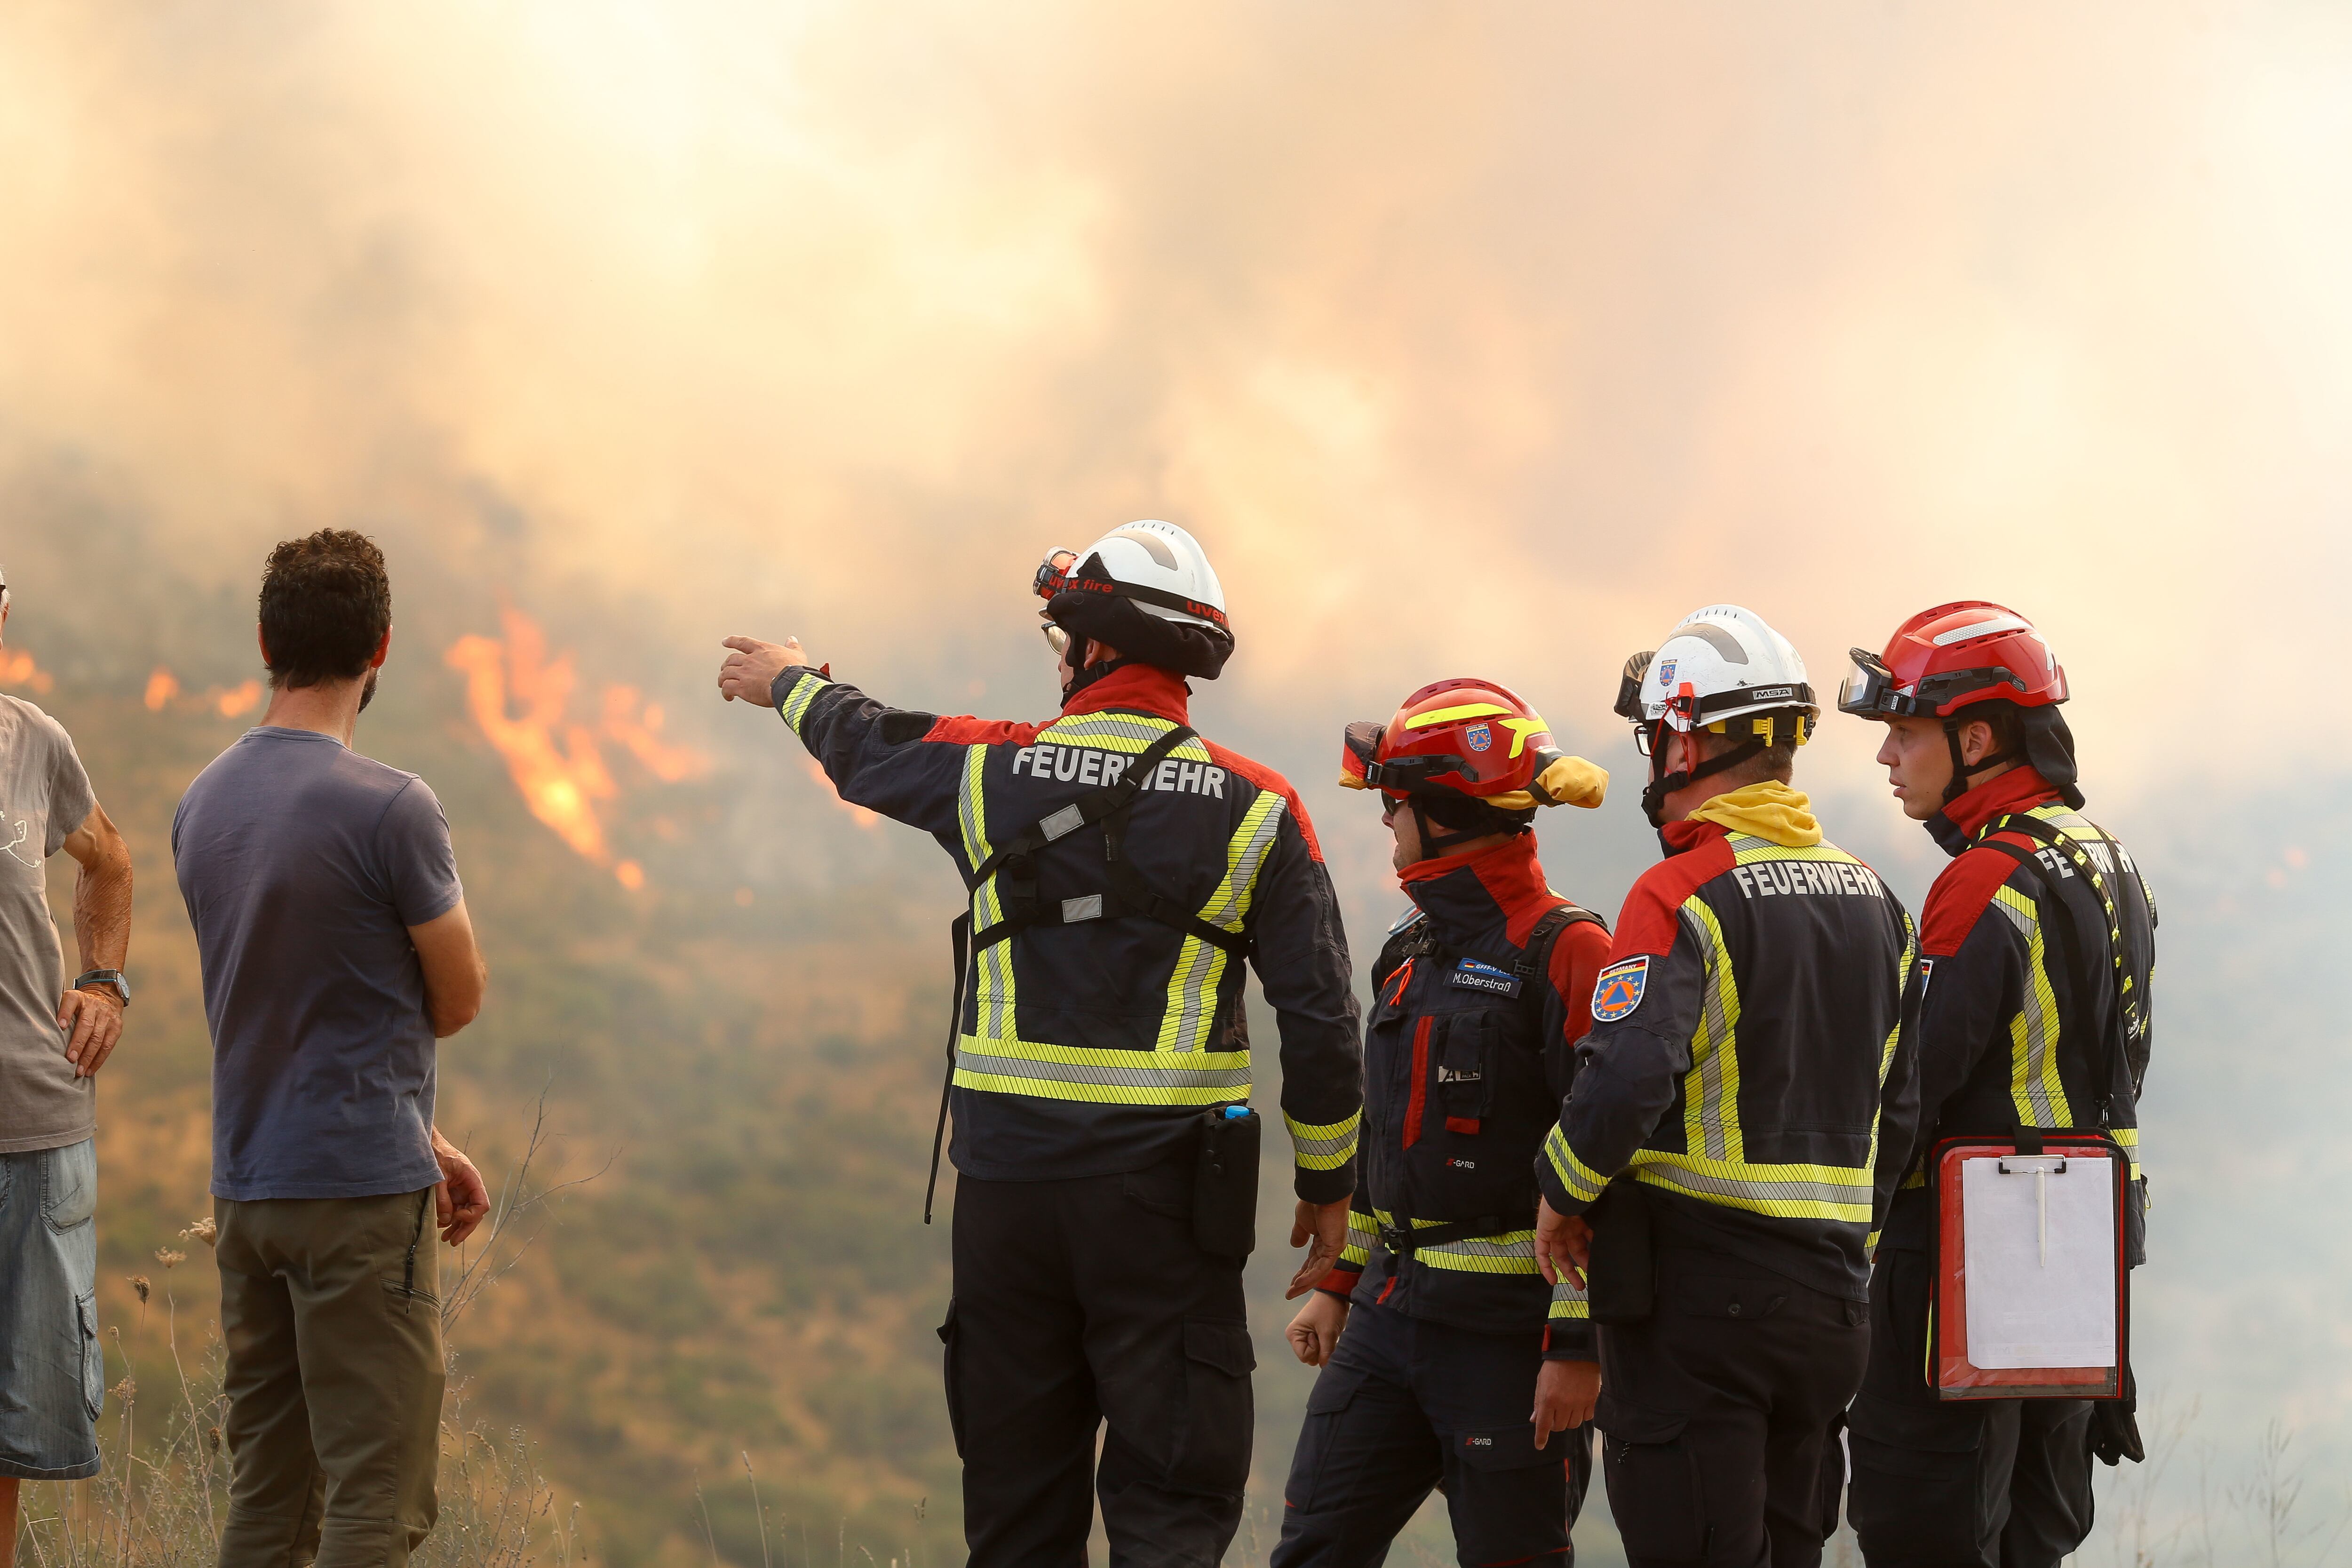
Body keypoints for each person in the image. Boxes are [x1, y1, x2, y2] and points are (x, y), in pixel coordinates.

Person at [715, 520, 1364, 1568]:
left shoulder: (989, 769)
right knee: (1168, 1515)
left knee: (1017, 1525)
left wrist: (789, 679)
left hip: (1008, 1203)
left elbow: (871, 743)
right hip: (1168, 1214)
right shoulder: (1261, 810)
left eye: (1063, 635)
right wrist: (1330, 1183)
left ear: (1095, 647)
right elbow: (1325, 1018)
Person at [1529, 604, 1915, 1568]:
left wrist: (1561, 1191)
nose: (1652, 762)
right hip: (1833, 1307)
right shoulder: (1878, 899)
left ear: (1691, 736)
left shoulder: (1679, 893)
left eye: (1656, 738)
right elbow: (1900, 1112)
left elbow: (1621, 1079)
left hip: (1700, 1310)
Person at [173, 530, 492, 1568]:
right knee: (375, 1499)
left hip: (250, 1192)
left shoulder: (201, 802)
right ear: (382, 648)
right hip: (357, 1194)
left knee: (268, 1501)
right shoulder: (394, 806)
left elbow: (285, 998)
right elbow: (457, 997)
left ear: (266, 639)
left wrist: (427, 1133)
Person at [1836, 602, 2156, 1568]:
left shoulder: (1986, 878)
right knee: (2034, 1529)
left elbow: (1910, 1088)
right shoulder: (2109, 859)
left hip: (1962, 1262)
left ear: (1976, 737)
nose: (1887, 756)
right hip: (2076, 1259)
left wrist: (1833, 1241)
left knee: (1922, 1520)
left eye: (1904, 730)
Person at [1271, 680, 1614, 1568]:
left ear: (1449, 809)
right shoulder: (1408, 947)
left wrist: (1577, 1344)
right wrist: (1341, 1282)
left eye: (1398, 800)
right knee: (1312, 1549)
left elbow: (1617, 1160)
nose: (1387, 820)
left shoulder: (1571, 949)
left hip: (1510, 1344)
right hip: (1386, 1325)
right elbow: (1393, 1147)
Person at [0, 563, 134, 1567]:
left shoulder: (32, 742)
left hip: (33, 1132)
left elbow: (112, 860)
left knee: (11, 1433)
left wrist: (104, 981)